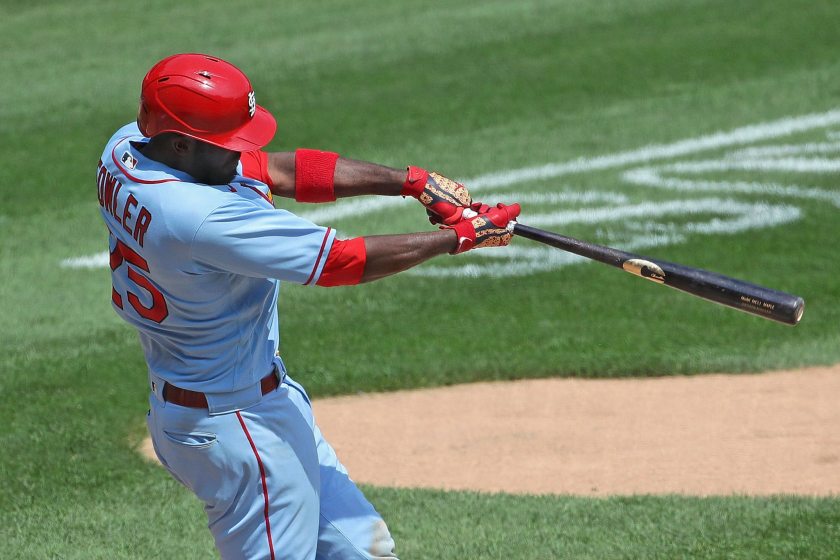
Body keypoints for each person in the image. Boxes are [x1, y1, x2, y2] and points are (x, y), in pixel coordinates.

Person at [97, 53, 520, 560]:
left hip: (239, 402)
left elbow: (275, 169)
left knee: (364, 551)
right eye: (229, 142)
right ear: (183, 143)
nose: (243, 150)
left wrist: (412, 183)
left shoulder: (127, 147)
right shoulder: (200, 217)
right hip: (238, 427)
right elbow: (341, 261)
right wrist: (460, 237)